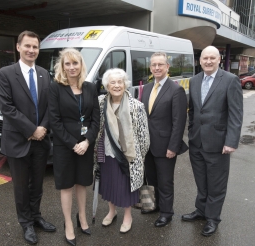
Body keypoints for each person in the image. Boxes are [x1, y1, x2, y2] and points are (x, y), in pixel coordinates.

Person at [0, 30, 56, 245]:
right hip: (18, 140)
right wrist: (32, 130)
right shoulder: (5, 74)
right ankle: (26, 223)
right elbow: (7, 108)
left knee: (37, 184)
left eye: (35, 47)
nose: (31, 50)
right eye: (27, 46)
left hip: (41, 140)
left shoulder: (44, 73)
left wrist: (43, 128)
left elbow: (50, 106)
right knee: (21, 187)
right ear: (18, 47)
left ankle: (36, 216)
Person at [182, 46, 243, 236]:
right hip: (197, 142)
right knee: (201, 181)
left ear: (219, 59)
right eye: (205, 58)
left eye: (212, 58)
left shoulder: (230, 80)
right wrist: (192, 130)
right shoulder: (194, 80)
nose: (208, 61)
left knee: (216, 184)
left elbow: (235, 114)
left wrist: (231, 141)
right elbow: (192, 110)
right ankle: (201, 211)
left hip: (218, 143)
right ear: (200, 60)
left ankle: (213, 218)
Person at [49, 48, 99, 246]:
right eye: (67, 64)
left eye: (75, 63)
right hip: (64, 146)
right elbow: (54, 120)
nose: (71, 67)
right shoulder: (55, 88)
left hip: (85, 145)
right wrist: (73, 144)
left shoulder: (90, 87)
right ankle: (68, 223)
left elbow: (96, 118)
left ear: (81, 65)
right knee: (67, 184)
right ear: (62, 66)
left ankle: (82, 218)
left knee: (82, 182)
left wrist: (87, 141)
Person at [93, 68, 150, 233]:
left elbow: (144, 136)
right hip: (107, 152)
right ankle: (111, 211)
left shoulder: (136, 106)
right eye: (113, 82)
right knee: (109, 184)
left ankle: (127, 216)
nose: (117, 85)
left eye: (120, 82)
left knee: (126, 187)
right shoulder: (101, 102)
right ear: (107, 85)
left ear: (125, 84)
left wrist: (138, 158)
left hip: (127, 156)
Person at [141, 52, 188, 227]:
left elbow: (179, 121)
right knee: (151, 178)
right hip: (148, 145)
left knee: (165, 181)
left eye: (160, 64)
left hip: (166, 145)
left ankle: (166, 212)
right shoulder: (146, 88)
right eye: (154, 65)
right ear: (150, 67)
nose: (157, 68)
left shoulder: (176, 90)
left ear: (167, 67)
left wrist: (173, 146)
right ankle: (154, 205)